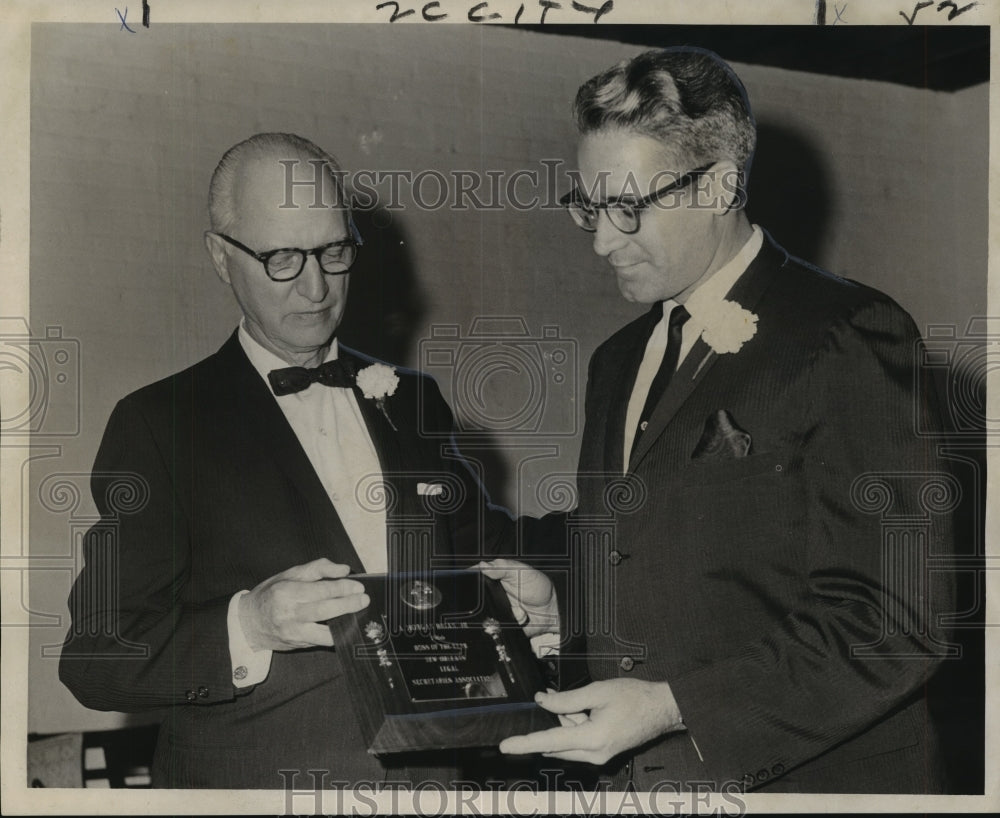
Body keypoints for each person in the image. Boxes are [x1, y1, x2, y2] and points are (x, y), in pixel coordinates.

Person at [491, 48, 956, 793]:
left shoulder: (848, 332)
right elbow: (665, 561)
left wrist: (673, 709)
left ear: (720, 185)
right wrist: (565, 601)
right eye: (589, 207)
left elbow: (895, 621)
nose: (603, 240)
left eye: (628, 207)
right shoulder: (616, 361)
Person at [58, 132, 520, 788]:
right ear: (221, 257)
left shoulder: (413, 403)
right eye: (281, 258)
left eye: (334, 251)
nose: (316, 286)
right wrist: (249, 625)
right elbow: (97, 657)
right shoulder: (159, 425)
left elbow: (491, 558)